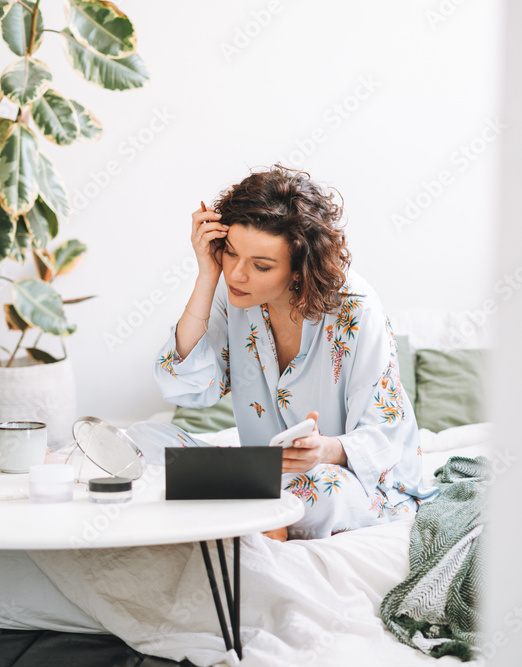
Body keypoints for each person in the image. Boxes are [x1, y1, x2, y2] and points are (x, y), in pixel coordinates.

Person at [139, 165, 436, 540]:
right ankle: (256, 510)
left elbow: (387, 437)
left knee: (322, 490)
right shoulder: (232, 290)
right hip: (260, 474)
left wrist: (324, 450)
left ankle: (258, 520)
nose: (237, 275)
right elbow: (183, 387)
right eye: (230, 253)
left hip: (340, 474)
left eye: (261, 265)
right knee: (143, 440)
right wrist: (205, 275)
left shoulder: (356, 310)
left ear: (300, 269)